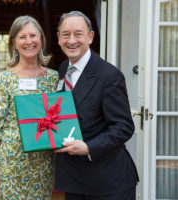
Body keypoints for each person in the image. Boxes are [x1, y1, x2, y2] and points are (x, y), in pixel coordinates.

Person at [55, 11, 139, 200]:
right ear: (59, 38)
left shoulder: (109, 75)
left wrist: (89, 147)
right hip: (74, 179)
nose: (72, 40)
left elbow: (124, 127)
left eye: (78, 33)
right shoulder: (62, 69)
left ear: (90, 37)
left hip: (108, 181)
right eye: (66, 34)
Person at [0, 15, 59, 200]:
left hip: (42, 165)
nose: (29, 41)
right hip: (10, 166)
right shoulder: (4, 80)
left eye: (33, 35)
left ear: (41, 38)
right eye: (22, 37)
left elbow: (60, 119)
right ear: (14, 43)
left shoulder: (53, 78)